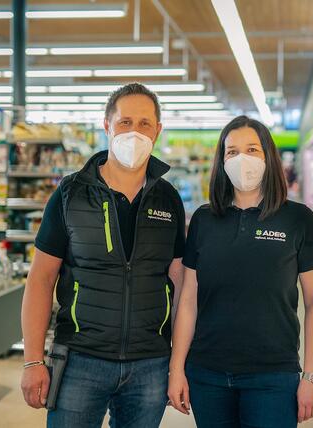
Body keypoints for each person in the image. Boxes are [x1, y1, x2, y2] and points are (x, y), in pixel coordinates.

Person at [20, 82, 186, 428]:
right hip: (80, 359)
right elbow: (40, 279)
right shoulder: (70, 194)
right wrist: (33, 360)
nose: (134, 132)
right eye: (125, 122)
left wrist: (179, 363)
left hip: (150, 363)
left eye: (144, 124)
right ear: (107, 125)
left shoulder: (168, 200)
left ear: (157, 130)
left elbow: (181, 282)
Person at [167, 115, 313, 427]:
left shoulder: (298, 219)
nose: (242, 159)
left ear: (269, 156)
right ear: (222, 160)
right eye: (232, 152)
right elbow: (188, 300)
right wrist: (177, 368)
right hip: (207, 374)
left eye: (252, 150)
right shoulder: (204, 219)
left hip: (274, 376)